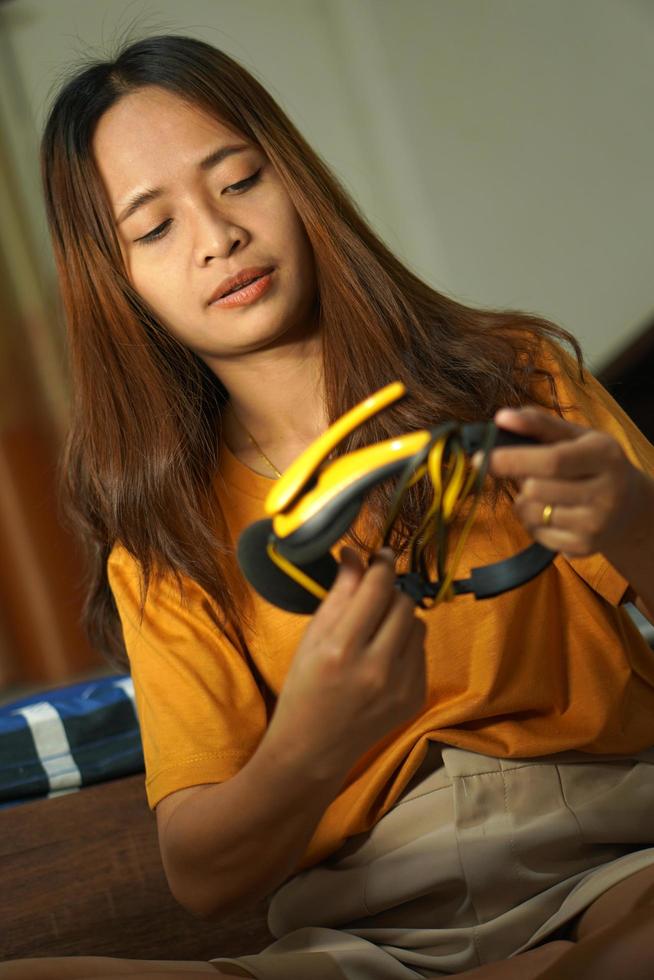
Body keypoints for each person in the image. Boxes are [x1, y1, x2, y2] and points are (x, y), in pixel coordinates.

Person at [3, 32, 654, 980]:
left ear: (298, 183)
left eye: (239, 181)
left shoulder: (516, 379)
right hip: (374, 935)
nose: (217, 237)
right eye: (153, 229)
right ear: (119, 285)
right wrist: (315, 741)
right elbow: (202, 874)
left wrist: (635, 517)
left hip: (615, 857)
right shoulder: (164, 544)